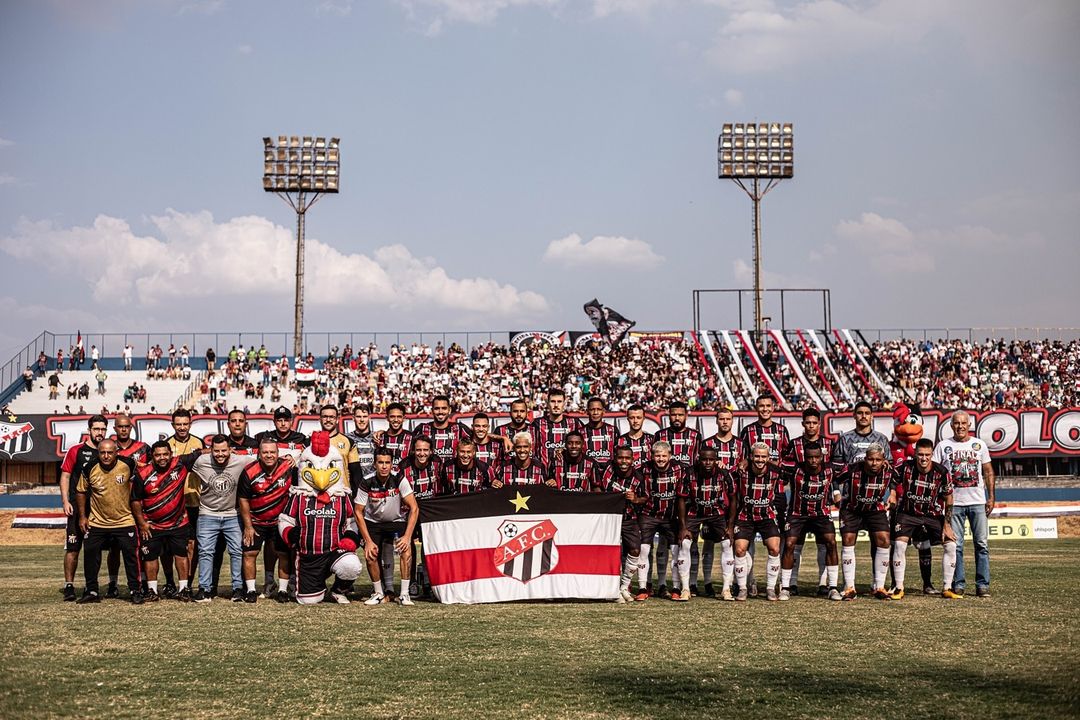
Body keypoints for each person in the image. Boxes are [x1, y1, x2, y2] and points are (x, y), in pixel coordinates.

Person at [279, 432, 362, 605]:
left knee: (351, 565)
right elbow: (285, 519)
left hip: (334, 551)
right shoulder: (299, 495)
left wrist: (350, 537)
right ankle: (314, 585)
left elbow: (352, 522)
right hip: (308, 557)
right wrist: (289, 533)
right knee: (309, 601)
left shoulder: (342, 495)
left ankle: (339, 590)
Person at [933, 410, 994, 597]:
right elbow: (934, 474)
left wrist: (991, 497)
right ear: (951, 426)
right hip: (954, 504)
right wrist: (937, 499)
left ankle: (982, 584)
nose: (960, 426)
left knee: (981, 544)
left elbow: (988, 472)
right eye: (956, 423)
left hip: (977, 502)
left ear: (969, 425)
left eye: (963, 423)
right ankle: (958, 583)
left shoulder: (979, 445)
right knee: (955, 546)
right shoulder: (943, 446)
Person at [74, 440, 143, 604]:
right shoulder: (90, 467)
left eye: (109, 452)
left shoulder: (128, 464)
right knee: (90, 555)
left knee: (131, 557)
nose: (106, 456)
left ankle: (135, 590)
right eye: (102, 452)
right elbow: (80, 491)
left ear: (116, 452)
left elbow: (144, 469)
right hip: (97, 522)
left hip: (124, 521)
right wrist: (83, 516)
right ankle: (91, 590)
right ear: (98, 452)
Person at [892, 438, 960, 600]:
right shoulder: (905, 467)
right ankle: (899, 588)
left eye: (927, 455)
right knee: (899, 545)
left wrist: (947, 525)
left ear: (932, 454)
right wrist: (893, 494)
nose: (923, 458)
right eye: (920, 455)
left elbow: (949, 498)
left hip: (932, 515)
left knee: (951, 545)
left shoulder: (941, 472)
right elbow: (891, 481)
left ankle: (947, 588)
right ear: (915, 454)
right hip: (907, 514)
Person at [131, 441, 197, 601]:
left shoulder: (180, 464)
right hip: (152, 525)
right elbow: (135, 501)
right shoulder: (143, 474)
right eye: (158, 455)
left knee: (181, 555)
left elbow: (202, 452)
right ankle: (152, 591)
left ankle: (184, 589)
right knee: (150, 557)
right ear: (152, 456)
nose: (162, 458)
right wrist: (142, 524)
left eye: (165, 454)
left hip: (178, 523)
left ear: (171, 454)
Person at [353, 448, 420, 606]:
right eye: (381, 462)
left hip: (396, 520)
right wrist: (368, 541)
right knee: (371, 554)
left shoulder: (399, 479)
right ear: (375, 464)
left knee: (406, 550)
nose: (384, 466)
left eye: (387, 463)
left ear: (392, 464)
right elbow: (358, 512)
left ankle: (404, 594)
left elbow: (414, 508)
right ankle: (378, 593)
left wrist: (407, 537)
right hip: (374, 522)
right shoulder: (367, 481)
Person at [780, 407, 835, 596]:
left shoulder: (829, 443)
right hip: (799, 502)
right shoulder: (795, 444)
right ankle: (791, 583)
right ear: (803, 424)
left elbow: (834, 469)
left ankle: (823, 583)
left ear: (819, 424)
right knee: (795, 544)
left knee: (824, 544)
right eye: (808, 422)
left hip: (822, 502)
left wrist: (834, 493)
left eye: (814, 422)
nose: (811, 426)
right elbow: (784, 468)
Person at [189, 435, 250, 603]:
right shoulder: (201, 461)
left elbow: (264, 459)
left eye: (224, 450)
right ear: (211, 450)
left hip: (233, 514)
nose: (220, 454)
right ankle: (204, 589)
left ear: (231, 449)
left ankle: (238, 588)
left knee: (237, 552)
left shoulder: (242, 461)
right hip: (208, 514)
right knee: (205, 552)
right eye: (216, 451)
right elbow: (180, 464)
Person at [238, 438, 297, 603]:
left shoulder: (289, 467)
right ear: (259, 453)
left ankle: (283, 591)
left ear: (278, 453)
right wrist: (248, 526)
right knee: (250, 553)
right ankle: (250, 590)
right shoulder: (249, 471)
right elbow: (243, 500)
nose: (269, 455)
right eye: (265, 452)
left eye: (272, 452)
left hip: (280, 522)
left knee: (283, 554)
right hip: (256, 521)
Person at [835, 444, 897, 600]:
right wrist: (836, 493)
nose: (874, 463)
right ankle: (849, 588)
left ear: (884, 460)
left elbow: (898, 478)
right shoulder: (852, 468)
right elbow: (834, 478)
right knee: (848, 540)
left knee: (884, 540)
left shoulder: (889, 471)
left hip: (874, 509)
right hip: (851, 509)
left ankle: (880, 587)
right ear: (865, 459)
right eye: (870, 459)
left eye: (878, 460)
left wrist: (893, 493)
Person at [58, 415, 108, 602]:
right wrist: (65, 501)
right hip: (77, 509)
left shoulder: (108, 451)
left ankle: (91, 585)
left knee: (94, 550)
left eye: (103, 429)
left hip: (99, 511)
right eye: (96, 429)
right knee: (73, 548)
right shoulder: (76, 450)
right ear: (89, 430)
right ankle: (69, 585)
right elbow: (65, 476)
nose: (100, 433)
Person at [728, 443, 784, 601]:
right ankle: (742, 588)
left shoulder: (776, 472)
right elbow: (724, 475)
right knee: (739, 550)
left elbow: (792, 473)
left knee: (774, 548)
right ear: (751, 457)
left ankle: (771, 588)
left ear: (768, 458)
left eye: (763, 456)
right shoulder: (741, 471)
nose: (760, 460)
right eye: (757, 456)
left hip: (767, 516)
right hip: (745, 516)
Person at [680, 446, 735, 600]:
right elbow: (682, 499)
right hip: (695, 513)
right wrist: (683, 527)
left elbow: (733, 499)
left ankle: (726, 589)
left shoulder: (724, 474)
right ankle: (685, 589)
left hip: (717, 514)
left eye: (711, 459)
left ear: (716, 461)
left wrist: (730, 526)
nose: (708, 462)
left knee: (727, 544)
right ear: (699, 459)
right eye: (704, 459)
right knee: (685, 544)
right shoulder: (689, 473)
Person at [635, 441, 687, 601]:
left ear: (670, 456)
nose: (661, 459)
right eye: (657, 455)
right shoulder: (643, 469)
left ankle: (675, 587)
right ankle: (643, 587)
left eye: (664, 455)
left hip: (670, 517)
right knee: (643, 550)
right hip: (648, 515)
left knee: (675, 551)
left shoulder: (680, 469)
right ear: (652, 456)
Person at [593, 446, 646, 603]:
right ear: (615, 458)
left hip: (629, 519)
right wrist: (603, 498)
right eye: (620, 458)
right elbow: (596, 486)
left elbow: (645, 497)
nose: (624, 461)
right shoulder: (607, 470)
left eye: (627, 458)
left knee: (636, 549)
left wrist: (635, 499)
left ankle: (624, 586)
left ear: (632, 459)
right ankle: (613, 588)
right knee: (611, 552)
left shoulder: (638, 477)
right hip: (609, 518)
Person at [167, 408, 207, 596]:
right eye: (179, 424)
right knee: (168, 546)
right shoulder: (166, 444)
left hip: (193, 502)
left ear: (190, 424)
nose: (182, 427)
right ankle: (169, 582)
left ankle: (188, 584)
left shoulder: (198, 442)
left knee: (192, 544)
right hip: (171, 503)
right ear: (173, 425)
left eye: (185, 424)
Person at [700, 406, 739, 596]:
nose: (725, 422)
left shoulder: (740, 444)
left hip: (732, 501)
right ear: (716, 421)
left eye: (728, 419)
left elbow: (745, 465)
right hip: (709, 500)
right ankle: (706, 583)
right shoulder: (707, 444)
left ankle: (739, 583)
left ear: (733, 421)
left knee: (734, 542)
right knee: (708, 542)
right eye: (721, 419)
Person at [831, 401, 893, 471]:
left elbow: (889, 464)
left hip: (875, 481)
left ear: (872, 416)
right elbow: (836, 465)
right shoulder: (844, 439)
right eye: (860, 413)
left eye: (867, 413)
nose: (863, 416)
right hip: (851, 480)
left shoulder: (882, 439)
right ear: (854, 415)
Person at [530, 388, 581, 466]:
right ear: (547, 403)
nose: (556, 405)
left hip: (568, 471)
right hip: (544, 473)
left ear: (564, 403)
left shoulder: (574, 423)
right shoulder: (537, 423)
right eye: (553, 401)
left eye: (559, 402)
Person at [412, 395, 468, 464]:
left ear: (449, 410)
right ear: (432, 410)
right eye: (437, 408)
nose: (440, 412)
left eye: (444, 408)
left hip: (453, 473)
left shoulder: (460, 429)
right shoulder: (421, 429)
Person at [654, 400, 701, 467]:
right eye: (673, 415)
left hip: (689, 476)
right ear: (669, 415)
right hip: (666, 476)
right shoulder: (659, 435)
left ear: (686, 416)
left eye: (680, 415)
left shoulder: (696, 435)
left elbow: (700, 459)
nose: (677, 418)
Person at [345, 403, 377, 492]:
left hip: (373, 486)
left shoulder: (377, 437)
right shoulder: (346, 438)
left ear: (369, 418)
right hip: (353, 487)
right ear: (353, 418)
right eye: (358, 416)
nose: (362, 420)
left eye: (365, 416)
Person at [581, 397, 618, 471]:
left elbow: (618, 453)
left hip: (609, 474)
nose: (595, 412)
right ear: (587, 411)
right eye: (592, 409)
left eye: (599, 409)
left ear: (603, 411)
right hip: (587, 474)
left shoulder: (613, 430)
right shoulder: (580, 432)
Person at [379, 402, 414, 471]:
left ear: (404, 418)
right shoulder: (379, 438)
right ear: (387, 418)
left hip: (405, 480)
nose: (395, 420)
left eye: (399, 417)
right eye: (392, 416)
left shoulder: (412, 438)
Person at [618, 404, 654, 469]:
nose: (635, 421)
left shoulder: (652, 439)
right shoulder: (619, 441)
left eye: (638, 417)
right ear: (628, 419)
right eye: (632, 418)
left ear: (643, 419)